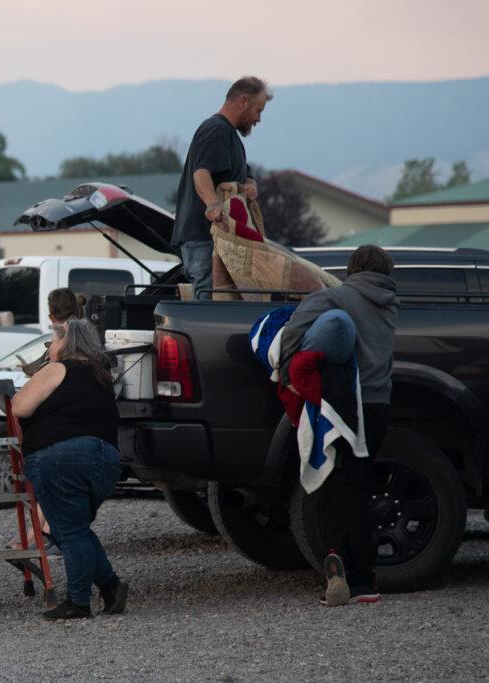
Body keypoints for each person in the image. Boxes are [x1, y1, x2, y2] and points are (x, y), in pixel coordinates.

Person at [279, 245, 398, 606]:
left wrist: (287, 375)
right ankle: (353, 571)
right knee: (356, 487)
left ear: (352, 269)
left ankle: (353, 577)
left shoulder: (333, 298)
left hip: (345, 405)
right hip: (379, 407)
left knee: (335, 488)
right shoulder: (390, 304)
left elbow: (291, 337)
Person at [12, 319, 128, 620]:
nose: (50, 346)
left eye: (53, 340)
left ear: (67, 342)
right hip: (105, 458)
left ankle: (78, 602)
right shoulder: (102, 375)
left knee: (69, 531)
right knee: (74, 528)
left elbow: (19, 407)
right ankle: (111, 587)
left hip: (60, 457)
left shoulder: (57, 369)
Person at [172, 76, 272, 301]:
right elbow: (201, 173)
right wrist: (212, 205)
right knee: (209, 303)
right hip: (203, 238)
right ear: (243, 101)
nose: (259, 119)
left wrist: (250, 187)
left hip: (214, 240)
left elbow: (246, 175)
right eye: (258, 110)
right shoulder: (215, 130)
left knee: (220, 301)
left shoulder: (231, 137)